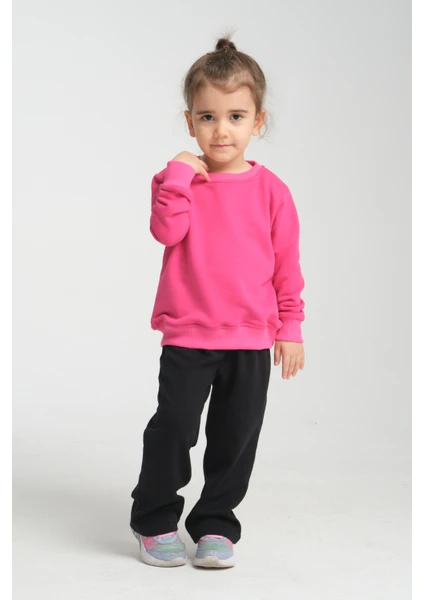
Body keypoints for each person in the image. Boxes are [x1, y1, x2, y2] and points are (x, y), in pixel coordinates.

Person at [130, 35, 305, 569]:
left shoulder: (273, 191)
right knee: (175, 427)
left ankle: (215, 524)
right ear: (190, 122)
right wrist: (180, 172)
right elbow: (166, 232)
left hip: (251, 337)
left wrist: (290, 327)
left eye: (235, 116)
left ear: (258, 121)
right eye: (207, 117)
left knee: (235, 437)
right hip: (189, 332)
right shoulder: (178, 182)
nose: (221, 130)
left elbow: (286, 264)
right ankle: (154, 520)